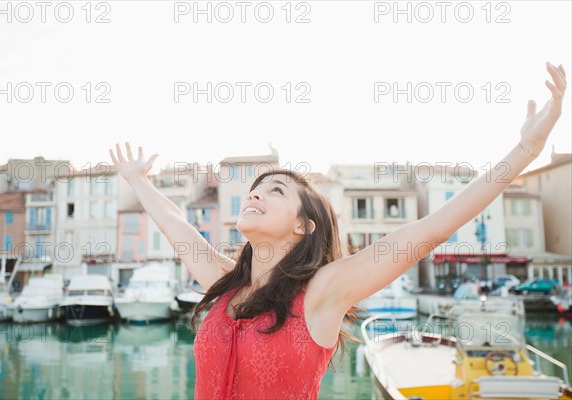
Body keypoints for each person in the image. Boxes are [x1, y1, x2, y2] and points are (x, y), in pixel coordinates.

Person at [109, 62, 566, 399]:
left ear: (303, 226)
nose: (255, 195)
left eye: (275, 191)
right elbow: (175, 226)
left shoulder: (322, 292)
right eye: (254, 189)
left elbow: (430, 229)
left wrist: (526, 150)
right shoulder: (225, 285)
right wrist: (138, 180)